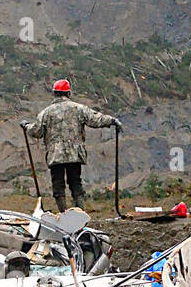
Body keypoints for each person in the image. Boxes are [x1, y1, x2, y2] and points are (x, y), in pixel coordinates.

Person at [22, 79, 121, 212]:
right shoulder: (78, 108)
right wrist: (112, 121)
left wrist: (26, 126)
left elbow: (36, 132)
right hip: (75, 154)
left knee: (58, 186)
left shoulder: (46, 113)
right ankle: (80, 213)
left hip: (55, 155)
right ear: (68, 93)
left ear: (54, 93)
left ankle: (63, 214)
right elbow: (95, 119)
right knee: (75, 183)